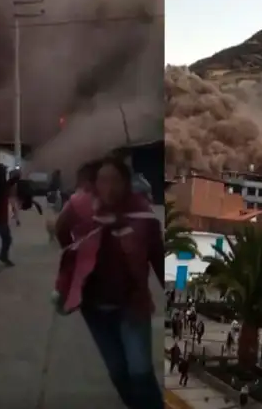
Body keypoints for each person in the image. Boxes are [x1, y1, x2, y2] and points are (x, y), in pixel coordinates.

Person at [53, 156, 165, 409]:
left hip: (132, 304)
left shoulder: (142, 217)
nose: (109, 187)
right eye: (103, 180)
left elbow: (159, 258)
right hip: (94, 308)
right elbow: (61, 229)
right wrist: (74, 257)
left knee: (140, 371)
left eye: (116, 180)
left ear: (127, 184)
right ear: (95, 184)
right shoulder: (82, 206)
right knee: (117, 371)